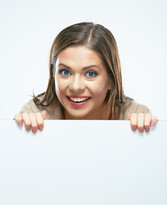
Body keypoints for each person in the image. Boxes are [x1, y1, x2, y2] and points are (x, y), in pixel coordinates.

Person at [14, 22, 158, 133]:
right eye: (65, 72)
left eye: (90, 74)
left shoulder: (135, 115)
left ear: (111, 80)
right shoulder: (34, 113)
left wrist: (145, 134)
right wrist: (22, 133)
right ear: (53, 75)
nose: (76, 86)